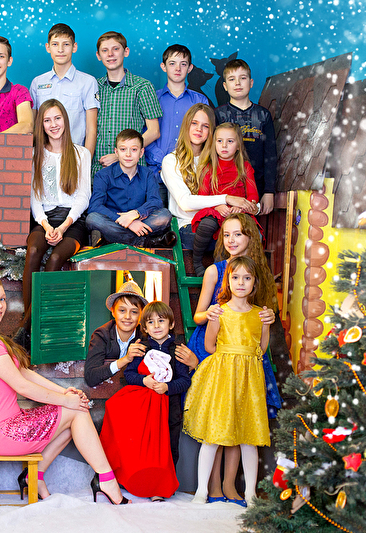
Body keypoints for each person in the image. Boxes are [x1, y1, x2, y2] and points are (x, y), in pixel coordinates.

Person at [0, 276, 128, 504]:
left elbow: (25, 373)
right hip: (3, 432)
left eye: (2, 299)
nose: (0, 305)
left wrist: (65, 393)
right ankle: (106, 479)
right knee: (77, 411)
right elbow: (22, 386)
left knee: (73, 416)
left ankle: (35, 477)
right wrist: (67, 402)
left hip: (7, 424)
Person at [180, 213, 282, 505]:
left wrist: (268, 318)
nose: (232, 240)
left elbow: (262, 317)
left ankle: (232, 485)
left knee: (241, 420)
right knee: (217, 418)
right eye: (226, 235)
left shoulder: (257, 271)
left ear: (250, 236)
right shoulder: (217, 271)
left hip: (247, 354)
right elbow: (199, 315)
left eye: (238, 234)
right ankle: (210, 486)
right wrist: (210, 313)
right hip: (218, 346)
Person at [15, 99, 91, 347]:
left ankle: (28, 326)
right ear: (42, 125)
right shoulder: (36, 154)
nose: (53, 124)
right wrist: (47, 226)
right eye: (47, 120)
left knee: (57, 258)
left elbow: (83, 196)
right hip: (45, 219)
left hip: (73, 221)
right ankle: (30, 327)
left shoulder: (81, 153)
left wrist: (64, 226)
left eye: (57, 118)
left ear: (65, 120)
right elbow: (34, 197)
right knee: (33, 251)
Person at [100, 300, 191, 500]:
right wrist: (144, 381)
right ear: (145, 327)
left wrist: (167, 387)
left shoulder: (177, 350)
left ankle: (163, 487)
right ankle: (144, 484)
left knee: (169, 447)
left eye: (161, 321)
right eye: (150, 322)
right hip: (147, 410)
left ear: (171, 324)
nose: (156, 326)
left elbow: (185, 381)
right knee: (147, 449)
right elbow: (129, 375)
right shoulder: (141, 348)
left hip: (170, 409)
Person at [161, 103, 256, 249]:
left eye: (205, 126)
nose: (199, 129)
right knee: (223, 239)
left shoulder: (217, 160)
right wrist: (226, 198)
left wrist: (252, 206)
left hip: (222, 222)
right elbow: (185, 202)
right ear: (186, 125)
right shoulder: (171, 161)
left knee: (245, 237)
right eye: (194, 123)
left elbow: (246, 194)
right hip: (189, 224)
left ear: (211, 131)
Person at [86, 129, 174, 248]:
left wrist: (136, 214)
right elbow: (95, 206)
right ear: (116, 152)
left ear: (141, 153)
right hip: (114, 221)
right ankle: (144, 241)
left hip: (139, 220)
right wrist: (127, 222)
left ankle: (115, 239)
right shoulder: (103, 175)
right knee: (93, 219)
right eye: (123, 149)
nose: (128, 154)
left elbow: (156, 201)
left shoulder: (147, 174)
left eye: (134, 149)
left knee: (164, 215)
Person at [190, 122, 259, 275]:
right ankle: (197, 262)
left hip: (238, 213)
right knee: (207, 224)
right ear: (214, 143)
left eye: (230, 141)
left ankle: (245, 271)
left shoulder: (244, 167)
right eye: (220, 141)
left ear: (238, 145)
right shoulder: (209, 168)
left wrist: (242, 207)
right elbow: (202, 197)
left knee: (245, 232)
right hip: (216, 210)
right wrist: (217, 206)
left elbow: (253, 195)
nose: (224, 145)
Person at [145, 44, 211, 204]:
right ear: (163, 66)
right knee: (157, 217)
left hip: (189, 176)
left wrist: (184, 164)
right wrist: (164, 162)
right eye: (172, 63)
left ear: (190, 68)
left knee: (187, 216)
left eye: (183, 64)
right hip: (156, 175)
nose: (178, 68)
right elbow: (144, 134)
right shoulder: (152, 98)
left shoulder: (200, 100)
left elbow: (206, 137)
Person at [92, 31, 161, 176]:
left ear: (126, 51)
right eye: (105, 50)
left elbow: (154, 131)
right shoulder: (93, 87)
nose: (110, 54)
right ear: (98, 55)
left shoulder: (142, 87)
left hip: (132, 172)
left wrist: (119, 155)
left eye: (116, 49)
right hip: (99, 169)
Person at [215, 58, 278, 215]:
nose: (237, 83)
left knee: (250, 228)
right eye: (232, 79)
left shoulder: (263, 115)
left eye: (242, 78)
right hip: (226, 188)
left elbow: (270, 155)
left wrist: (269, 191)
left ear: (251, 83)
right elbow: (211, 154)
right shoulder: (219, 115)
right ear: (225, 86)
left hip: (256, 187)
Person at [29, 23, 99, 155]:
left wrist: (85, 161)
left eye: (66, 44)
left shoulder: (88, 82)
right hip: (44, 156)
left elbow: (91, 129)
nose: (60, 49)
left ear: (74, 47)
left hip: (75, 155)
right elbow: (32, 126)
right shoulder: (37, 83)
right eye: (55, 44)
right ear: (48, 47)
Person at [83, 280, 147, 388]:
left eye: (134, 312)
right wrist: (126, 359)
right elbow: (91, 377)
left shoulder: (145, 336)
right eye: (122, 310)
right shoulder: (101, 335)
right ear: (113, 311)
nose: (127, 316)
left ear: (141, 314)